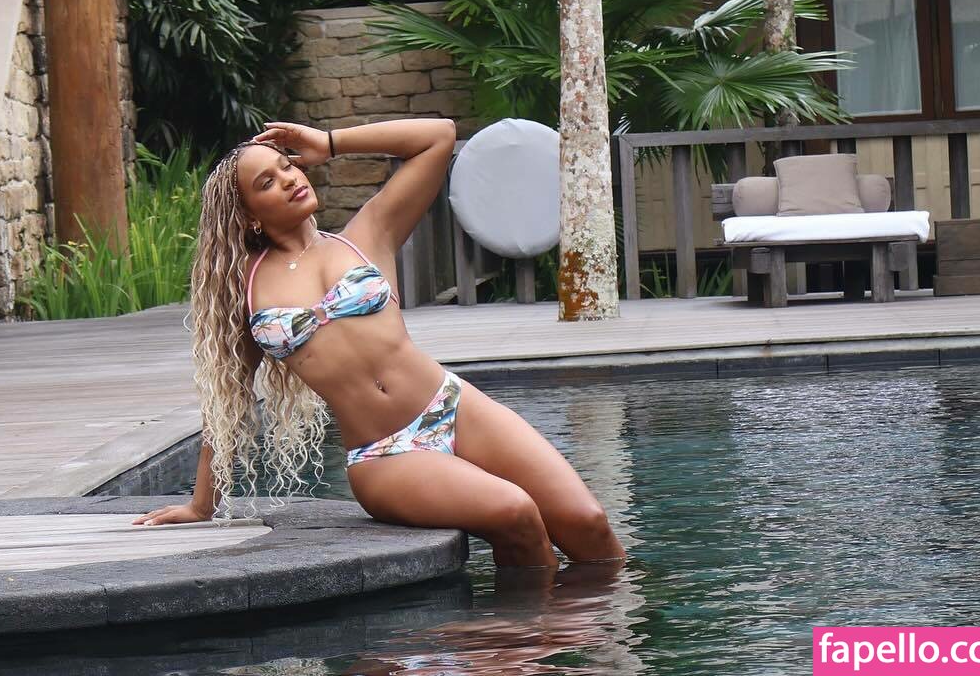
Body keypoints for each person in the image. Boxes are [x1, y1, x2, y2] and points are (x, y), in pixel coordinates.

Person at [132, 116, 627, 570]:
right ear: (247, 217)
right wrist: (203, 504)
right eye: (267, 182)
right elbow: (230, 397)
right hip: (383, 455)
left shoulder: (367, 234)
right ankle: (534, 630)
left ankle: (610, 626)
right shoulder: (249, 287)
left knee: (588, 523)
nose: (289, 178)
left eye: (287, 166)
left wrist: (329, 143)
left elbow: (438, 137)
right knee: (515, 513)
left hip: (452, 405)